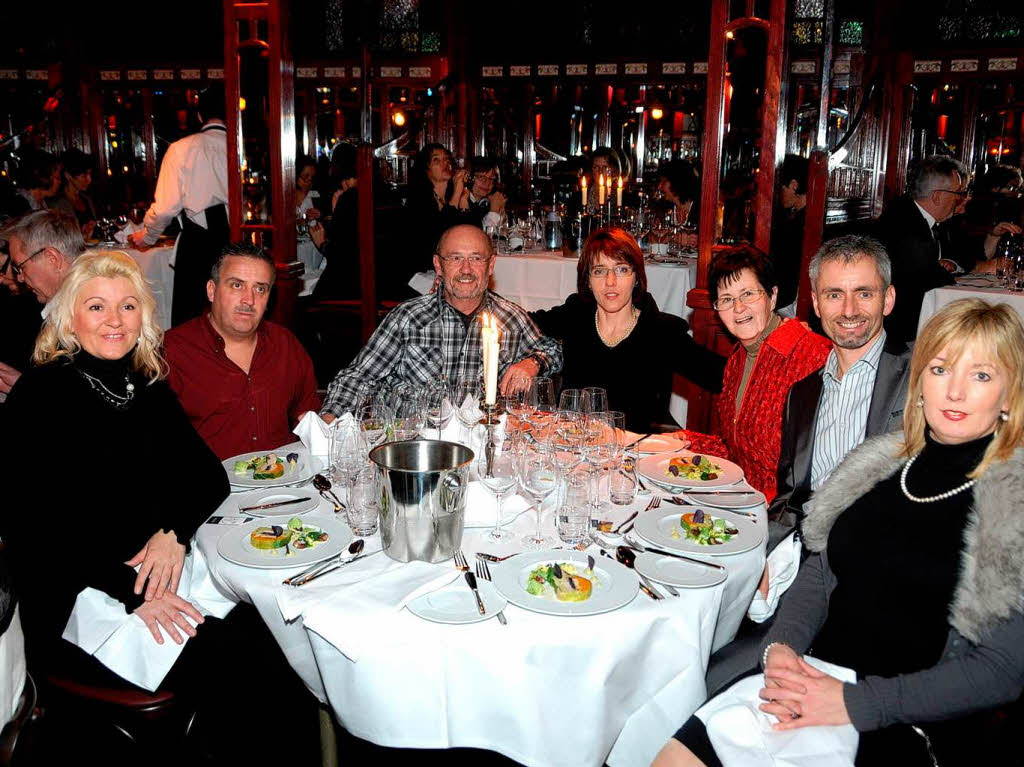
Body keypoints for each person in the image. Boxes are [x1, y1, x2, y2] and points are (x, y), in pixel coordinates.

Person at [657, 298, 1024, 767]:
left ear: (1009, 395)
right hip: (810, 675)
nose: (954, 392)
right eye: (940, 369)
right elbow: (820, 573)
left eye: (981, 375)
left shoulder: (1010, 504)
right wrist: (782, 648)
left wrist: (854, 703)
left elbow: (1002, 671)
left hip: (903, 717)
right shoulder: (877, 467)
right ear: (918, 383)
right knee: (673, 756)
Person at [0, 250, 229, 675]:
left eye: (127, 306)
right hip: (78, 594)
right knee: (218, 656)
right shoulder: (41, 395)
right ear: (69, 320)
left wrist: (172, 534)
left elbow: (209, 477)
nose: (115, 320)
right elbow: (37, 533)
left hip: (156, 571)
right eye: (96, 307)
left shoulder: (143, 383)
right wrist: (136, 592)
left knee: (249, 629)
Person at [703, 234, 913, 695]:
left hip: (877, 580)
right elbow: (793, 494)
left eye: (865, 292)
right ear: (816, 302)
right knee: (705, 668)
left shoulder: (919, 380)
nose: (849, 309)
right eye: (835, 294)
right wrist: (763, 553)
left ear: (889, 298)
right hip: (805, 563)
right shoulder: (806, 393)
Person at [321, 224, 562, 420]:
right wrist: (329, 421)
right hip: (413, 449)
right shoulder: (408, 318)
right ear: (438, 265)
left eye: (476, 258)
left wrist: (533, 362)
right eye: (455, 258)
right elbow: (359, 378)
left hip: (482, 447)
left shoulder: (510, 318)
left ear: (490, 266)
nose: (466, 269)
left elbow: (553, 350)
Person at [530, 227, 725, 432]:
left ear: (636, 277)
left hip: (635, 456)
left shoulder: (660, 331)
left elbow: (721, 376)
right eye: (599, 271)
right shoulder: (576, 315)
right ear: (587, 280)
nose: (610, 282)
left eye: (621, 269)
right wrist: (532, 361)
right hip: (571, 451)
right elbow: (522, 324)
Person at [163, 243, 320, 460]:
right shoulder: (171, 352)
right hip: (210, 488)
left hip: (284, 484)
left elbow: (309, 416)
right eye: (237, 286)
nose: (249, 300)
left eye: (260, 288)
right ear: (212, 290)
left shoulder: (285, 345)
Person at [703, 245, 831, 502]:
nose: (738, 308)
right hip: (740, 499)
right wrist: (673, 443)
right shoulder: (738, 358)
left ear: (772, 297)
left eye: (748, 294)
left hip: (784, 511)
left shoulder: (811, 355)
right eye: (727, 299)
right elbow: (732, 448)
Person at [128, 84, 229, 327]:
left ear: (199, 116)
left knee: (189, 320)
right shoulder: (239, 148)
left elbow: (164, 208)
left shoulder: (181, 149)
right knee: (229, 316)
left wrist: (147, 237)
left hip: (198, 242)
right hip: (234, 239)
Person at [875, 154, 969, 343]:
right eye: (958, 194)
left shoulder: (924, 218)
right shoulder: (904, 222)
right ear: (937, 197)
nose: (960, 200)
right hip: (899, 335)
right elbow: (932, 278)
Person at [0, 211, 85, 395]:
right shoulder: (75, 296)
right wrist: (23, 383)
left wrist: (27, 387)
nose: (20, 278)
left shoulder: (90, 310)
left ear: (53, 258)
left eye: (20, 267)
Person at [404, 143, 472, 279]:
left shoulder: (452, 196)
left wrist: (464, 199)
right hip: (422, 272)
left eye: (447, 159)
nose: (444, 163)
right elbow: (439, 236)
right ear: (426, 169)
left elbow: (472, 233)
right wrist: (457, 194)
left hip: (452, 265)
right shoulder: (418, 200)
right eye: (436, 160)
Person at [770, 154, 809, 311]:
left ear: (793, 185)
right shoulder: (798, 215)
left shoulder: (801, 223)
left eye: (781, 187)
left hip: (790, 301)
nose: (779, 193)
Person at [50, 148, 98, 239]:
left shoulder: (87, 199)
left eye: (90, 174)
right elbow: (58, 238)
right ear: (68, 176)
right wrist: (81, 234)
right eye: (84, 175)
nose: (89, 179)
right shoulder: (57, 204)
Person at [456, 156, 506, 229]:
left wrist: (501, 209)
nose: (487, 183)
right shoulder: (461, 203)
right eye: (481, 177)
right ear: (469, 178)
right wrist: (494, 211)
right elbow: (478, 236)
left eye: (491, 179)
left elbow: (501, 233)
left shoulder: (486, 202)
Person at [7, 149, 61, 216]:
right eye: (58, 177)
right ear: (45, 176)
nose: (60, 182)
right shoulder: (19, 204)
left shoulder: (44, 203)